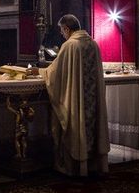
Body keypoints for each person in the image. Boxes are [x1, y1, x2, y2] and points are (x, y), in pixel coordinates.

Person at [38, 14, 109, 177]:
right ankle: (92, 165)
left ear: (66, 29)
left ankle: (76, 167)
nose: (62, 34)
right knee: (93, 124)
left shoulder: (70, 46)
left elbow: (55, 73)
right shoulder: (93, 44)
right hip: (91, 101)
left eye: (62, 31)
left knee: (75, 124)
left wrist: (40, 71)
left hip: (77, 101)